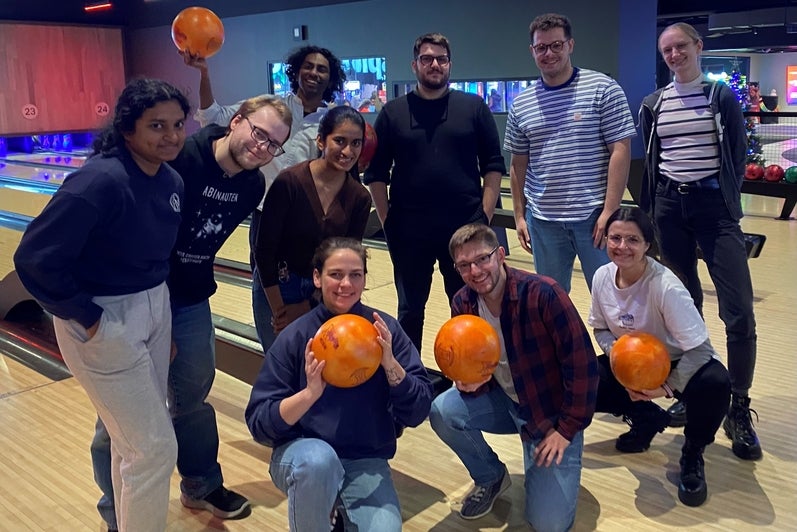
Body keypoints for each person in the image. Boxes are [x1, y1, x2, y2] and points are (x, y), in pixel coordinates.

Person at [89, 95, 293, 530]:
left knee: (194, 395)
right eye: (258, 132)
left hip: (192, 298)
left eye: (274, 144)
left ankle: (200, 484)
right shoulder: (182, 157)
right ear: (235, 122)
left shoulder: (252, 185)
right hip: (141, 294)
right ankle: (115, 512)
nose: (262, 147)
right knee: (123, 412)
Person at [13, 78, 190, 532]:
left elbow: (158, 255)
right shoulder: (99, 180)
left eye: (176, 124)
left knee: (128, 444)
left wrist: (161, 322)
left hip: (155, 309)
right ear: (128, 129)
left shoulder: (170, 179)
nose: (170, 135)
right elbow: (33, 259)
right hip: (104, 317)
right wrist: (87, 318)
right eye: (156, 125)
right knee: (152, 448)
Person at [245, 237, 433, 531]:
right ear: (317, 278)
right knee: (319, 463)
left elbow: (418, 410)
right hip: (304, 455)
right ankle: (321, 504)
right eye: (336, 274)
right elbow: (259, 423)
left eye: (355, 275)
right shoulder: (296, 337)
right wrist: (308, 395)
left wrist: (391, 365)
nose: (346, 284)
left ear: (364, 279)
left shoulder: (385, 331)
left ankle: (337, 512)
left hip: (365, 459)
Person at [638, 22, 761, 460]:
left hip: (715, 211)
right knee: (682, 306)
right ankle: (695, 391)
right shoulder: (654, 104)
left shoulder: (719, 97)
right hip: (671, 209)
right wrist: (653, 212)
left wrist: (727, 201)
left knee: (738, 310)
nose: (674, 55)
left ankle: (739, 405)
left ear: (698, 47)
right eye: (667, 50)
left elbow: (738, 154)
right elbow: (653, 162)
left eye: (681, 47)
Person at [429, 224, 598, 531]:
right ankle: (491, 476)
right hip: (506, 401)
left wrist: (566, 429)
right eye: (464, 265)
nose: (475, 271)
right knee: (443, 410)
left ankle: (548, 459)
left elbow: (583, 364)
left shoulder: (544, 294)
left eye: (482, 259)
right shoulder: (463, 303)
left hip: (550, 414)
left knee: (548, 524)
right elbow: (468, 358)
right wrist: (467, 379)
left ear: (501, 255)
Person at [183, 45, 346, 351]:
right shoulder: (271, 107)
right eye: (308, 66)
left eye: (321, 68)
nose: (313, 72)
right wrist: (203, 73)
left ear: (330, 77)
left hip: (309, 219)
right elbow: (213, 116)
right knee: (267, 283)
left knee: (310, 284)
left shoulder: (332, 119)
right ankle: (274, 352)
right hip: (266, 214)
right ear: (296, 71)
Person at [364, 32, 505, 354]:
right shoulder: (393, 112)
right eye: (427, 59)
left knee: (467, 307)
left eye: (441, 59)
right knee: (410, 310)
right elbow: (375, 173)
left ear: (449, 65)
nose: (434, 65)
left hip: (465, 231)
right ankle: (409, 379)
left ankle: (469, 373)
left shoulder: (473, 107)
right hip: (409, 231)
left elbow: (494, 165)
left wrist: (483, 217)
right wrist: (388, 223)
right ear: (415, 65)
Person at [589, 207, 731, 506]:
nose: (622, 247)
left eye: (632, 240)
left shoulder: (666, 286)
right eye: (615, 238)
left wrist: (667, 387)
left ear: (647, 246)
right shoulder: (602, 277)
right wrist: (620, 358)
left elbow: (700, 349)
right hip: (637, 362)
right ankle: (646, 419)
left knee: (716, 383)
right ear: (605, 240)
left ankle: (693, 452)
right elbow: (601, 329)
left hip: (680, 360)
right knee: (587, 378)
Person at [504, 13, 636, 294]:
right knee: (552, 302)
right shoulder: (522, 103)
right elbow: (517, 165)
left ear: (570, 45)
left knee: (612, 298)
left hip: (594, 218)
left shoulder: (603, 89)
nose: (548, 53)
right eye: (541, 47)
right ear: (532, 51)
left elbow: (621, 151)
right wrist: (519, 215)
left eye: (556, 45)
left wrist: (610, 209)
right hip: (543, 221)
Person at [254, 105, 373, 338]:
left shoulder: (359, 198)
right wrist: (280, 311)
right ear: (320, 141)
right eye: (339, 140)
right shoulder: (289, 182)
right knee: (282, 367)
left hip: (325, 292)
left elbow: (349, 258)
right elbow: (264, 252)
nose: (348, 151)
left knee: (320, 367)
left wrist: (309, 306)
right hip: (276, 288)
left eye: (356, 143)